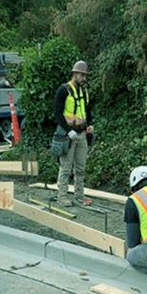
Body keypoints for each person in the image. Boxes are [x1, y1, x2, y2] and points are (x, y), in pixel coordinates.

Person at [53, 60, 94, 207]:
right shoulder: (63, 90)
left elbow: (87, 111)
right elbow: (58, 114)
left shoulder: (84, 91)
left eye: (85, 75)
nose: (84, 78)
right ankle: (62, 196)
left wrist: (89, 125)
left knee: (81, 168)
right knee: (66, 167)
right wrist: (68, 130)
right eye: (81, 75)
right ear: (74, 74)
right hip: (67, 135)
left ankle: (79, 195)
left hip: (82, 134)